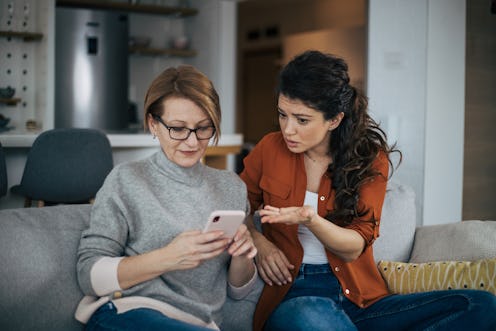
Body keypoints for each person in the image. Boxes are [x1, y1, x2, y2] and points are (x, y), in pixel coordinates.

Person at [239, 50, 496, 331]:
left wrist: (310, 219)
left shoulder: (370, 158)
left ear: (334, 120)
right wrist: (260, 243)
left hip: (360, 299)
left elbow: (354, 248)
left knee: (479, 304)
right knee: (310, 314)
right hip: (296, 297)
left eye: (302, 120)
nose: (288, 129)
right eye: (282, 115)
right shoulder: (268, 149)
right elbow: (237, 205)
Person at [75, 65, 258, 331]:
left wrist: (243, 257)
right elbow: (88, 275)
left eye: (203, 128)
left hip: (201, 323)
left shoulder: (231, 187)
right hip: (128, 312)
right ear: (153, 124)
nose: (192, 142)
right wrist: (169, 257)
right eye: (178, 128)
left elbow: (239, 292)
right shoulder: (126, 180)